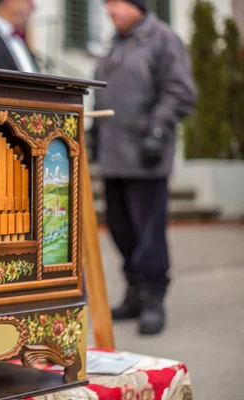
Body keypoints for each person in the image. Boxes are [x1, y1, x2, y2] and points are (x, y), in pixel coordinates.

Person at [90, 0, 196, 335]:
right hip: (113, 155)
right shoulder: (116, 44)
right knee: (121, 230)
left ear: (137, 5)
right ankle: (135, 291)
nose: (110, 10)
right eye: (107, 4)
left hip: (145, 155)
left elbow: (180, 91)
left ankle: (153, 297)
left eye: (116, 3)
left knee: (149, 233)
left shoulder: (162, 38)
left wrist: (157, 128)